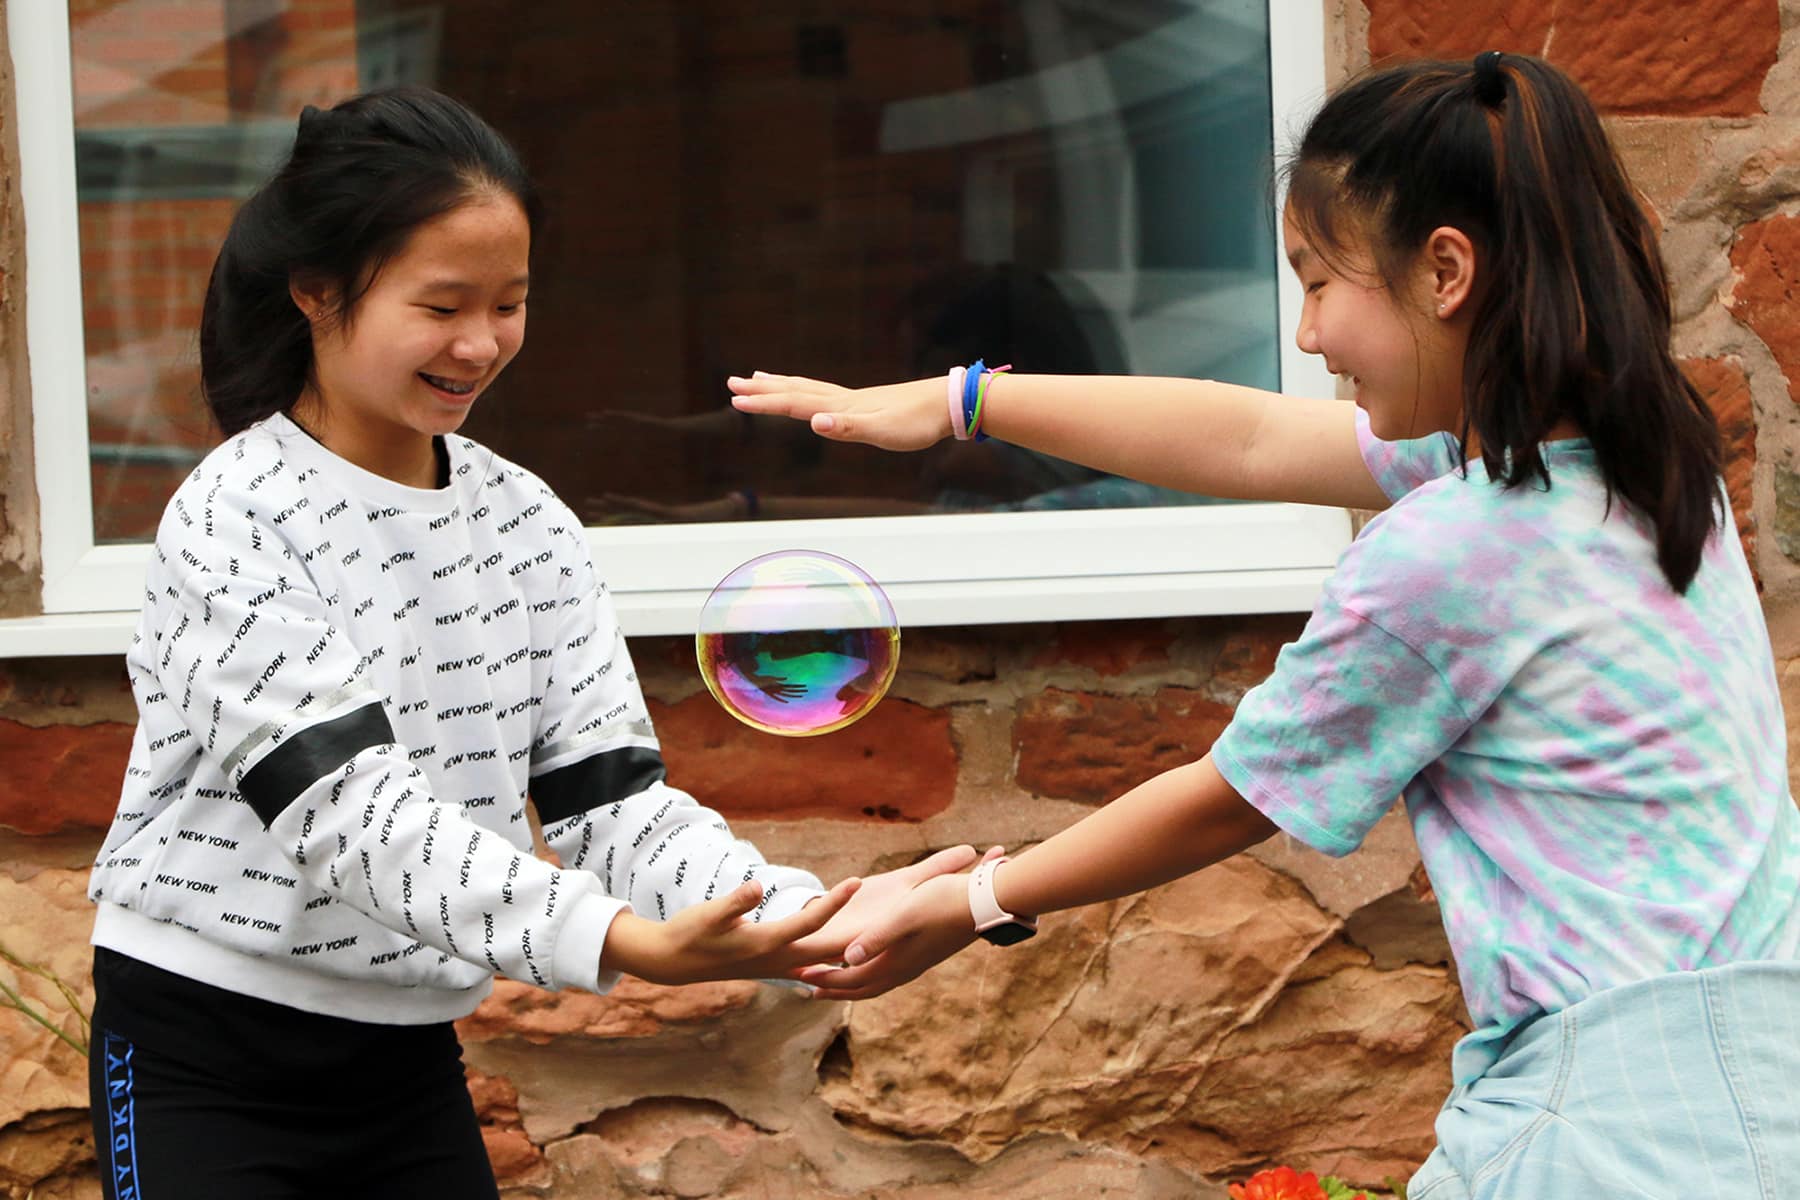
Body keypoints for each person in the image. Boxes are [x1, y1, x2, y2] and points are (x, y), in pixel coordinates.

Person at [729, 52, 1800, 1198]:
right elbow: (1247, 442)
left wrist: (971, 901)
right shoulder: (1640, 464)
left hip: (1623, 1124)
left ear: (1445, 271)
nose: (1305, 337)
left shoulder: (1455, 551)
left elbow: (1228, 796)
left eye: (1319, 281)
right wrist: (958, 403)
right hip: (1761, 1064)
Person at [83, 88, 974, 1200]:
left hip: (407, 1060)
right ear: (315, 291)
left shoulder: (528, 523)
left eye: (510, 302)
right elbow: (350, 821)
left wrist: (798, 915)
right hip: (202, 1055)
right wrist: (619, 944)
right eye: (442, 303)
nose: (482, 342)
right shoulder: (233, 516)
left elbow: (614, 803)